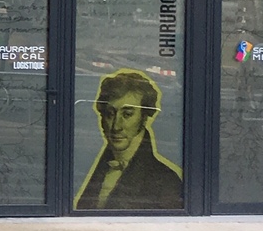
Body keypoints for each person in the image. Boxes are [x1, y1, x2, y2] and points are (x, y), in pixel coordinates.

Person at [75, 69, 183, 210]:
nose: (116, 126)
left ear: (144, 117)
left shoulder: (166, 182)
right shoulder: (100, 168)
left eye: (127, 114)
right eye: (110, 114)